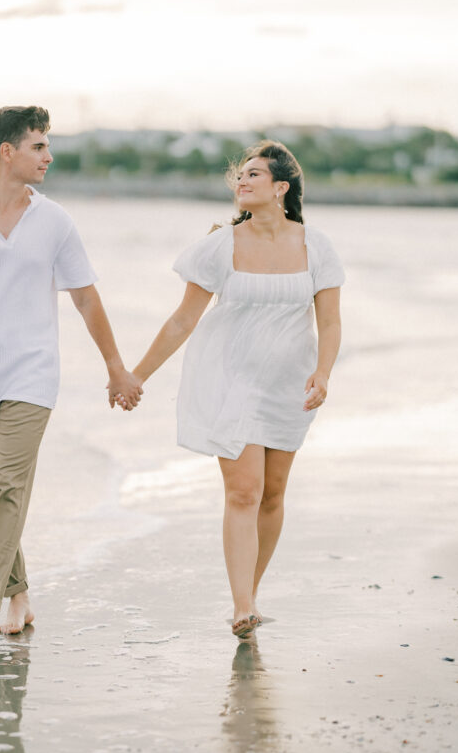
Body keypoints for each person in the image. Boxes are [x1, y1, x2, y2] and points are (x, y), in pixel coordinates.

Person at [0, 105, 141, 642]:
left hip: (33, 376)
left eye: (48, 145)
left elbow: (85, 297)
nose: (49, 155)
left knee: (9, 485)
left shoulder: (55, 221)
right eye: (39, 145)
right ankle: (20, 596)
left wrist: (115, 366)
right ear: (7, 152)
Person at [119, 140, 344, 639]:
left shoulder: (316, 246)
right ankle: (242, 604)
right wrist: (137, 375)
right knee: (244, 491)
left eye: (255, 175)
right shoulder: (220, 245)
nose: (241, 181)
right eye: (240, 175)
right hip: (229, 379)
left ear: (281, 188)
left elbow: (329, 322)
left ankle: (252, 591)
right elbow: (182, 321)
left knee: (273, 494)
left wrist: (323, 372)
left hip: (289, 384)